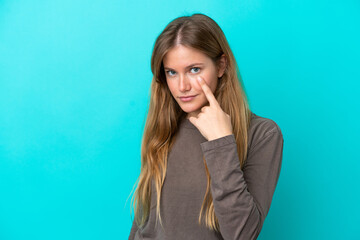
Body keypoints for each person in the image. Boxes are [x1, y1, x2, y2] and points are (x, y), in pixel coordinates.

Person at [128, 13, 284, 240]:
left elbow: (242, 235)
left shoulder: (262, 134)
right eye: (172, 72)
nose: (182, 86)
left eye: (194, 70)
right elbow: (145, 225)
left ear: (221, 66)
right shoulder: (164, 128)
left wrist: (221, 144)